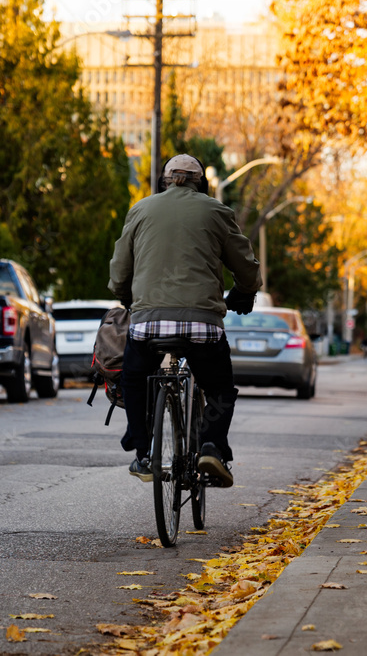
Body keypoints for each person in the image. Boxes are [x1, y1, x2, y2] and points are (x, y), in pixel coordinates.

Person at [108, 154, 262, 487]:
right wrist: (244, 292)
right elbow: (245, 265)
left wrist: (125, 296)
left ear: (163, 181)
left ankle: (143, 453)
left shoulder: (141, 209)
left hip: (147, 323)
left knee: (134, 379)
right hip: (203, 324)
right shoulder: (216, 211)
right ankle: (211, 447)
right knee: (219, 388)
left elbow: (120, 268)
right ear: (200, 183)